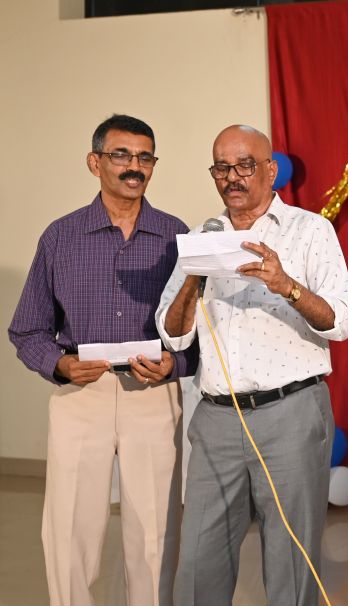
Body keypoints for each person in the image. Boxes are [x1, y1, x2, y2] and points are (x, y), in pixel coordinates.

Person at [155, 125, 348, 605]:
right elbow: (173, 333)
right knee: (198, 561)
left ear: (270, 169)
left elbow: (341, 322)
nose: (233, 177)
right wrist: (193, 279)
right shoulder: (201, 238)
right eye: (221, 168)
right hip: (216, 419)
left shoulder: (310, 231)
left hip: (291, 414)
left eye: (245, 165)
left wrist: (286, 285)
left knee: (291, 560)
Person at [8, 114, 195, 606]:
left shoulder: (177, 236)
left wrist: (175, 365)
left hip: (153, 395)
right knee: (69, 527)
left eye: (145, 156)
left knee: (155, 530)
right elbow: (26, 329)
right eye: (121, 155)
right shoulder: (60, 236)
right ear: (95, 163)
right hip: (80, 393)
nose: (135, 166)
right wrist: (59, 364)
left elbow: (197, 333)